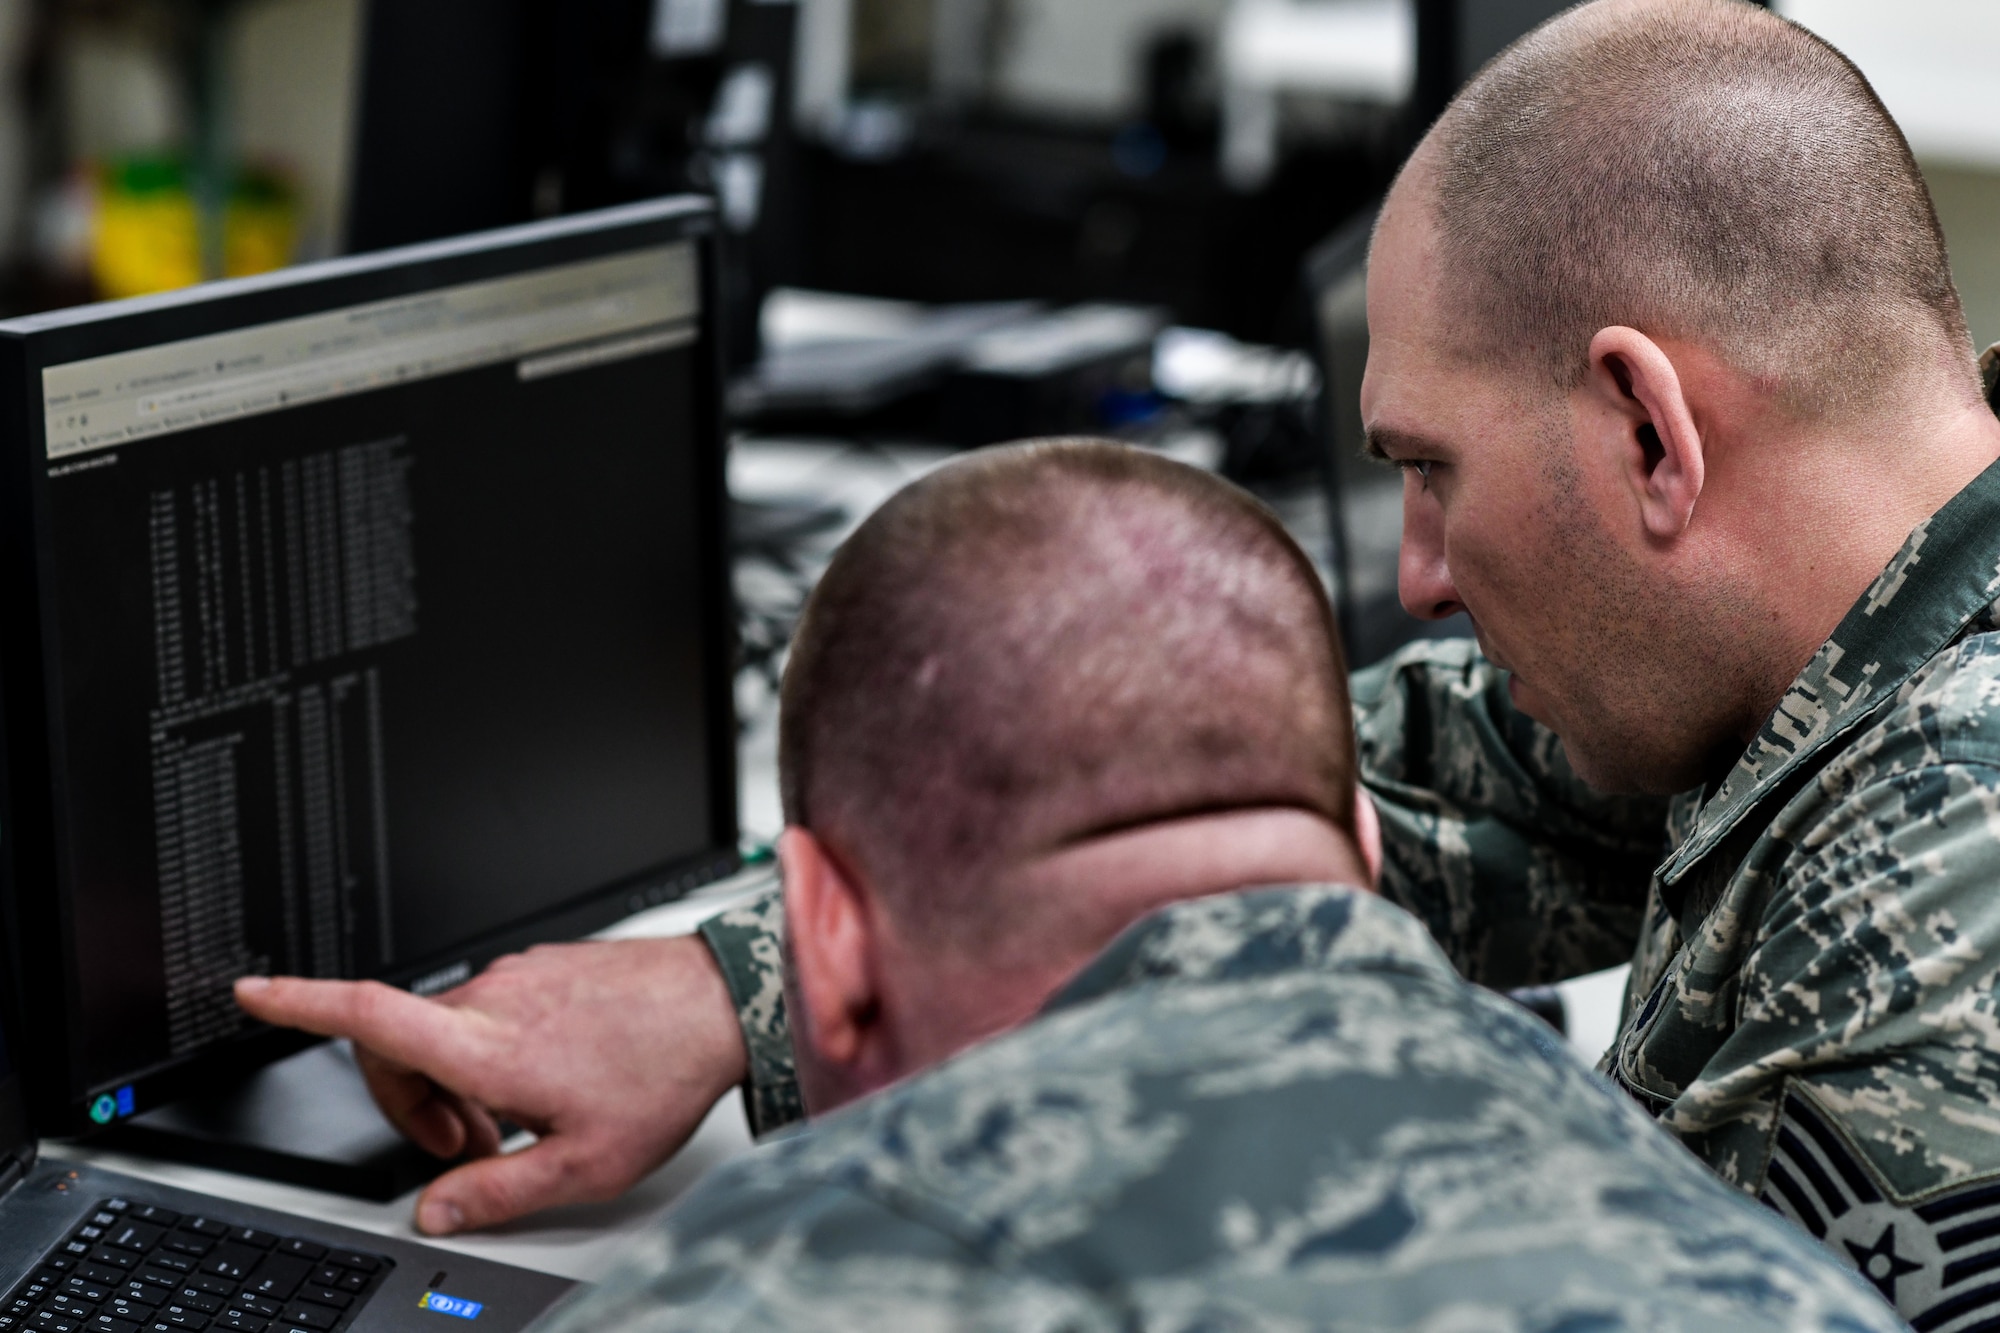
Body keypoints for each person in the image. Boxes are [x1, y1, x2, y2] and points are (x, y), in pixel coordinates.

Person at [236, 0, 2000, 1324]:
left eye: (1429, 471)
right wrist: (750, 989)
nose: (1422, 578)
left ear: (1649, 431)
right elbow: (1360, 798)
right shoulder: (1829, 638)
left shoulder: (1953, 878)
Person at [254, 441, 1901, 1329]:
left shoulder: (764, 1292)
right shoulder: (1772, 1280)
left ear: (816, 919)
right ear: (1372, 847)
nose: (1419, 564)